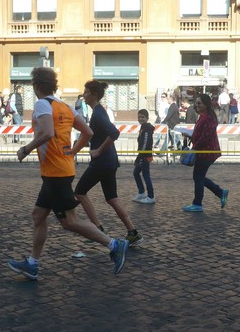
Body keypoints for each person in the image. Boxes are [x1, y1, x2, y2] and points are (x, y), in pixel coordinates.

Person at [8, 68, 128, 280]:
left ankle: (114, 244)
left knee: (69, 221)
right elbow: (88, 133)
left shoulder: (42, 104)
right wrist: (73, 151)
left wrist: (25, 149)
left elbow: (46, 132)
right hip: (60, 169)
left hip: (55, 172)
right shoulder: (65, 106)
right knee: (38, 215)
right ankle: (33, 264)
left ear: (36, 86)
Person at [74, 79, 143, 246]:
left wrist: (98, 150)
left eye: (86, 92)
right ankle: (132, 232)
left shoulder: (98, 113)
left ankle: (97, 230)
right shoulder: (98, 111)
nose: (84, 95)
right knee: (112, 198)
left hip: (102, 162)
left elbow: (114, 132)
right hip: (110, 162)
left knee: (80, 192)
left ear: (94, 95)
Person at [181, 93, 228, 212]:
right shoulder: (203, 117)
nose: (196, 105)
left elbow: (205, 137)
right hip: (204, 151)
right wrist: (190, 135)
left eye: (199, 103)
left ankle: (198, 204)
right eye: (195, 103)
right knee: (199, 176)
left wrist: (194, 148)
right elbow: (200, 134)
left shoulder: (208, 118)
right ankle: (220, 192)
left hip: (207, 152)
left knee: (198, 177)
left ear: (206, 105)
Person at [132, 109, 155, 204]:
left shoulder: (146, 129)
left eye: (142, 117)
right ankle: (141, 192)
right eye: (139, 117)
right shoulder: (143, 128)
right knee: (136, 173)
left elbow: (145, 145)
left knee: (146, 176)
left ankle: (151, 196)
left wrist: (139, 158)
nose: (140, 119)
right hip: (143, 156)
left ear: (147, 118)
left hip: (145, 157)